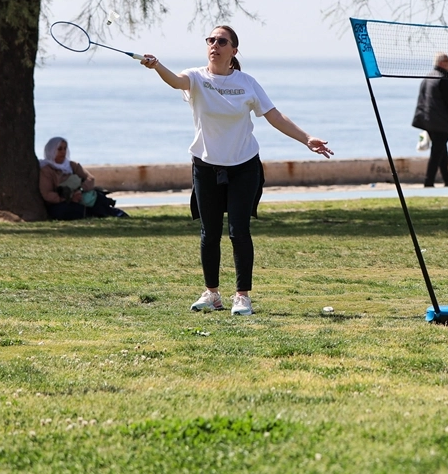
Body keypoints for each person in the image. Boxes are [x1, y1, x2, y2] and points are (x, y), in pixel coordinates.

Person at [141, 25, 333, 316]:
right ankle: (212, 294)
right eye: (210, 40)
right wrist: (157, 66)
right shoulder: (195, 78)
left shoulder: (247, 83)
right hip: (205, 165)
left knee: (238, 231)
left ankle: (241, 296)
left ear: (233, 50)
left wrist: (307, 138)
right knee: (209, 232)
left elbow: (274, 115)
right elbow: (174, 81)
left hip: (244, 166)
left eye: (221, 41)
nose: (214, 45)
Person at [38, 137, 128, 219]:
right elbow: (47, 193)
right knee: (69, 210)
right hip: (61, 202)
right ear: (51, 150)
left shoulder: (72, 165)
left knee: (98, 199)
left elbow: (90, 178)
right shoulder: (47, 170)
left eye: (65, 148)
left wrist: (80, 190)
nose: (63, 152)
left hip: (80, 196)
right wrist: (69, 197)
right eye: (59, 149)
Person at [412, 52, 448, 187]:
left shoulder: (427, 77)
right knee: (438, 151)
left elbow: (422, 100)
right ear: (442, 63)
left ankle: (447, 179)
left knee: (441, 149)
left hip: (428, 120)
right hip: (440, 122)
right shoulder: (443, 79)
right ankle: (429, 181)